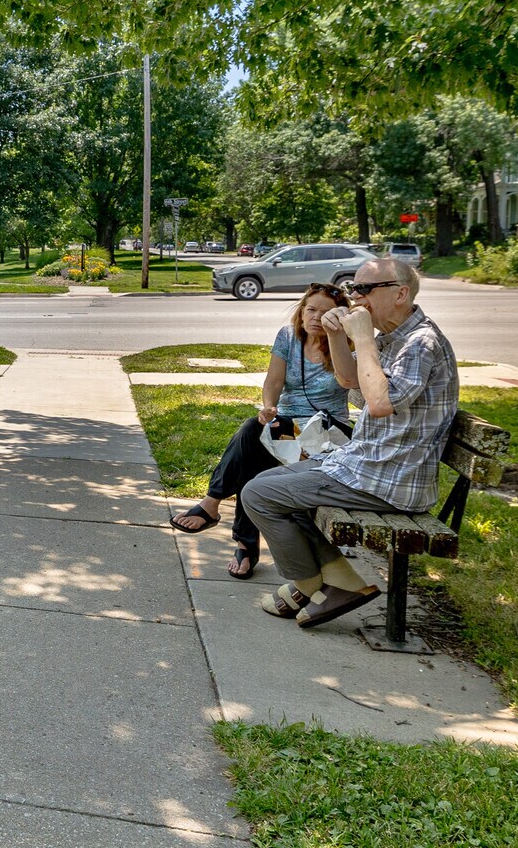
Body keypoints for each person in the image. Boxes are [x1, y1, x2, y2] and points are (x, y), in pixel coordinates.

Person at [240, 256, 459, 627]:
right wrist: (339, 336)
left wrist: (361, 338)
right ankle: (335, 580)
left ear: (400, 293)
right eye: (353, 288)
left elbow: (378, 404)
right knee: (264, 484)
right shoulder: (391, 338)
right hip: (366, 463)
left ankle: (309, 584)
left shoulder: (420, 343)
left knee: (257, 496)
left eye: (365, 289)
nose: (355, 298)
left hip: (390, 479)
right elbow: (348, 382)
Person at [170, 284, 354, 579]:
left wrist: (339, 336)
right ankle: (223, 515)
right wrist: (269, 407)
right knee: (254, 431)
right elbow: (273, 382)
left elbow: (351, 382)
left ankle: (228, 524)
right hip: (289, 426)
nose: (316, 317)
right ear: (302, 311)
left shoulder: (345, 343)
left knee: (256, 454)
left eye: (325, 312)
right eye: (311, 309)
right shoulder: (288, 337)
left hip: (329, 433)